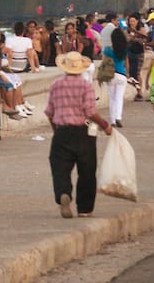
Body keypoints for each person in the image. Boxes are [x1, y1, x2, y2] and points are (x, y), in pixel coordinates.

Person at [47, 51, 113, 219]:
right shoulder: (86, 86)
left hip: (62, 132)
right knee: (87, 171)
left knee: (60, 168)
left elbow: (49, 112)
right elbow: (90, 112)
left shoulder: (56, 85)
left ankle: (64, 193)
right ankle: (84, 209)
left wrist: (57, 131)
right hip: (83, 132)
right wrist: (105, 125)